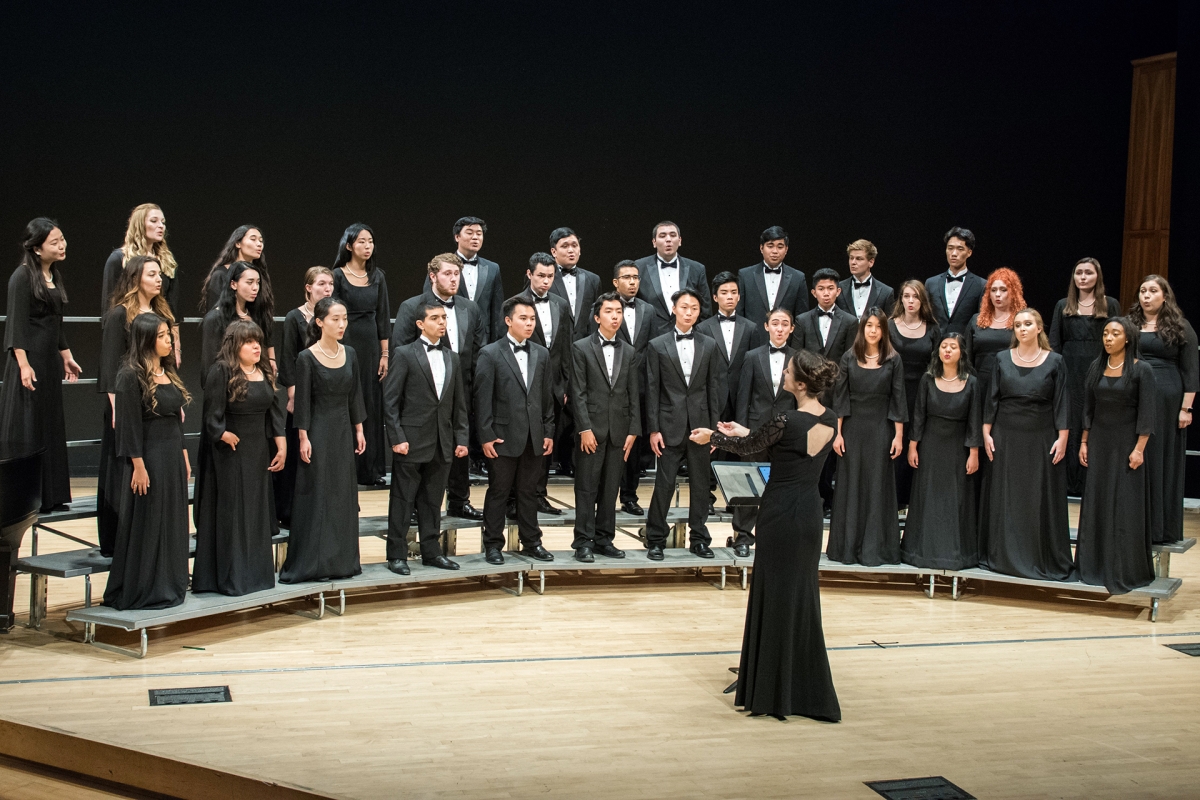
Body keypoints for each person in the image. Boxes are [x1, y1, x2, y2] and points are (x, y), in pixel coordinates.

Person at [690, 349, 841, 722]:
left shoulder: (785, 419)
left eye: (788, 372)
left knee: (773, 596)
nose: (784, 374)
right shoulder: (832, 419)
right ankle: (802, 685)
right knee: (800, 598)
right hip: (808, 515)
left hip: (779, 515)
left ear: (800, 383)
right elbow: (777, 445)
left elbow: (749, 447)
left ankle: (771, 689)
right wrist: (744, 433)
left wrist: (714, 437)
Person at [102, 314, 190, 610]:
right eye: (164, 335)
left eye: (169, 334)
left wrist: (184, 457)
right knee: (148, 523)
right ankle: (144, 587)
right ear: (147, 339)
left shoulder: (168, 372)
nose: (169, 340)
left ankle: (169, 582)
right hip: (148, 458)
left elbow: (177, 423)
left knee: (171, 521)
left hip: (171, 458)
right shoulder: (129, 375)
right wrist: (138, 465)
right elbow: (127, 426)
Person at [193, 321, 285, 596]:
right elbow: (211, 413)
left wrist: (281, 446)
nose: (257, 346)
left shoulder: (263, 371)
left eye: (258, 341)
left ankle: (256, 576)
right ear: (235, 345)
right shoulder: (221, 371)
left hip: (258, 451)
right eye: (249, 342)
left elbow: (275, 412)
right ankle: (232, 578)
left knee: (255, 511)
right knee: (234, 512)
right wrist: (222, 433)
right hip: (230, 453)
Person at [980, 308, 1072, 581]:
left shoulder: (1055, 361)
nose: (1022, 328)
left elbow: (1062, 402)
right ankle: (1003, 555)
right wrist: (986, 432)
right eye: (1018, 324)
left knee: (1035, 496)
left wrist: (1063, 437)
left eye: (1028, 324)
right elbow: (992, 399)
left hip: (1040, 436)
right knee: (1006, 495)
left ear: (1039, 328)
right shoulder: (1001, 359)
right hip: (1005, 435)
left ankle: (1036, 556)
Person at [279, 297, 367, 583]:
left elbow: (355, 395)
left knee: (341, 494)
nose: (341, 324)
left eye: (344, 318)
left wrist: (359, 429)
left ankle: (341, 561)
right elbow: (302, 402)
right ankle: (313, 562)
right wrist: (303, 437)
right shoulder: (307, 357)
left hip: (342, 430)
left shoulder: (350, 353)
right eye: (335, 319)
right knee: (317, 494)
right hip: (317, 431)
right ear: (319, 322)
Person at [394, 254, 486, 520]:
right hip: (422, 395)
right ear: (433, 276)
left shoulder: (470, 308)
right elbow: (401, 349)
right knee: (423, 451)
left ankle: (459, 501)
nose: (453, 278)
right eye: (447, 274)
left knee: (458, 445)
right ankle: (414, 505)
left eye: (456, 274)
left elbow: (477, 351)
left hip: (460, 389)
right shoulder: (412, 307)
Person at [0, 219, 81, 513]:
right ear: (36, 248)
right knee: (30, 424)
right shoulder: (21, 277)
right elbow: (17, 324)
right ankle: (26, 498)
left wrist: (66, 355)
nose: (62, 246)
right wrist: (23, 364)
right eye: (55, 242)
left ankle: (52, 494)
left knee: (50, 422)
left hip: (48, 361)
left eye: (62, 240)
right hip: (29, 361)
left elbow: (55, 323)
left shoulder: (53, 276)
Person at [382, 303, 468, 574]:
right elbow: (390, 400)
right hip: (410, 441)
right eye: (435, 318)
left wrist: (461, 438)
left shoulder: (452, 357)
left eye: (444, 318)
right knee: (402, 499)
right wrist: (397, 437)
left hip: (442, 441)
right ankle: (397, 554)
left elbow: (458, 404)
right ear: (420, 324)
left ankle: (432, 551)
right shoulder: (405, 354)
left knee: (433, 501)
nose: (442, 322)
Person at [98, 255, 173, 555]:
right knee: (123, 467)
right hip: (125, 401)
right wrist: (117, 406)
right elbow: (109, 365)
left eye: (159, 274)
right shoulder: (120, 314)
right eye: (152, 274)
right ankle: (119, 538)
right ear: (135, 278)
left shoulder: (160, 312)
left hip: (155, 404)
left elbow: (165, 363)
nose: (159, 279)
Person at [1075, 317, 1156, 593]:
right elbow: (1088, 407)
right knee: (1097, 500)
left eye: (1115, 333)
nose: (1108, 338)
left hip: (1126, 445)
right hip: (1099, 441)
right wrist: (1084, 441)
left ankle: (1123, 568)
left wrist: (1139, 449)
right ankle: (1092, 566)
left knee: (1122, 503)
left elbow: (1147, 414)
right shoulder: (1096, 367)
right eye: (1106, 333)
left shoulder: (1141, 370)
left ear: (1128, 338)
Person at [475, 296, 556, 565]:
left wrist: (548, 431)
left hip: (534, 435)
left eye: (532, 319)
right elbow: (482, 399)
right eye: (523, 318)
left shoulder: (541, 354)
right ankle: (493, 545)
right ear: (508, 320)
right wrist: (485, 435)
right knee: (499, 491)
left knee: (528, 491)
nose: (529, 323)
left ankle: (532, 541)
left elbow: (546, 398)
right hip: (502, 436)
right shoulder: (490, 353)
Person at [644, 289, 723, 560]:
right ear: (674, 309)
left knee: (701, 485)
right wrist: (653, 429)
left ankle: (699, 538)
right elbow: (652, 390)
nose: (689, 312)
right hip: (669, 425)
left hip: (701, 426)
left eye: (694, 308)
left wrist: (714, 432)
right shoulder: (657, 344)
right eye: (684, 307)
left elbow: (713, 389)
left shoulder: (710, 344)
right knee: (663, 485)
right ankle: (655, 538)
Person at [827, 308, 907, 566]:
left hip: (881, 429)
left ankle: (876, 549)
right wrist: (837, 434)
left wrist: (898, 436)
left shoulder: (893, 359)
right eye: (868, 325)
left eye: (878, 326)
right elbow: (840, 397)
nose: (873, 330)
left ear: (884, 330)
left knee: (877, 485)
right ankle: (847, 549)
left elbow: (898, 399)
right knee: (851, 485)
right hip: (852, 429)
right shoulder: (849, 357)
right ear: (862, 328)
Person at [901, 333, 982, 570]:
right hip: (930, 445)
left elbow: (974, 419)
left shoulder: (972, 382)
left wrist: (974, 452)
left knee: (955, 499)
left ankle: (957, 555)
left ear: (961, 353)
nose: (947, 350)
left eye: (953, 347)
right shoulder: (927, 380)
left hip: (957, 447)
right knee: (927, 496)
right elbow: (918, 415)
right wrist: (913, 445)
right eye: (944, 346)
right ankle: (919, 553)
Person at [1127, 275, 1198, 544]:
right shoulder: (1131, 324)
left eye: (1152, 291)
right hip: (1135, 393)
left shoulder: (1180, 326)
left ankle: (1160, 527)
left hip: (1168, 397)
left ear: (1164, 296)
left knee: (1161, 456)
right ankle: (1136, 523)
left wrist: (1186, 409)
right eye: (1142, 290)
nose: (1146, 295)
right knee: (1136, 454)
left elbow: (1191, 371)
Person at [570, 293, 640, 562]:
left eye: (619, 312)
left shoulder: (630, 351)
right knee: (586, 488)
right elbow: (578, 392)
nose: (615, 316)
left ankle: (604, 539)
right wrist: (584, 428)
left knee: (611, 489)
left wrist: (633, 430)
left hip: (619, 431)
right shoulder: (581, 347)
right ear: (597, 317)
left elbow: (633, 393)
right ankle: (583, 542)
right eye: (609, 311)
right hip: (592, 430)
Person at [1048, 257, 1122, 497]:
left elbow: (1118, 339)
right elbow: (1055, 343)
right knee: (1069, 421)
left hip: (1098, 368)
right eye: (1078, 273)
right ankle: (1069, 483)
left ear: (1097, 277)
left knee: (1093, 418)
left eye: (1088, 273)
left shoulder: (1110, 305)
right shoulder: (1063, 305)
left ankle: (1092, 480)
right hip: (1069, 370)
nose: (1082, 277)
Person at [697, 271, 761, 532]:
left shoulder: (751, 327)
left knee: (739, 449)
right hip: (712, 395)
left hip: (741, 396)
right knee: (709, 447)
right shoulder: (703, 327)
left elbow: (754, 365)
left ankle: (737, 501)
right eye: (724, 292)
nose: (730, 297)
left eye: (734, 292)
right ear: (715, 297)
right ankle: (707, 498)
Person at [730, 309, 797, 556]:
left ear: (792, 329)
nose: (780, 328)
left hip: (786, 431)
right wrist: (742, 434)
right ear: (766, 326)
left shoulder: (799, 358)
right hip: (755, 431)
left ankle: (778, 536)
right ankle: (743, 537)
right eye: (775, 323)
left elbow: (801, 399)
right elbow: (743, 397)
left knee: (782, 486)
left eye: (785, 324)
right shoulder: (752, 356)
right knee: (749, 485)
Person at [792, 268, 858, 512]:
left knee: (830, 446)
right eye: (821, 288)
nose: (826, 293)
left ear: (839, 291)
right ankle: (809, 496)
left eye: (831, 288)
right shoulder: (802, 319)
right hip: (808, 395)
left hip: (835, 393)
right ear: (813, 292)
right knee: (807, 444)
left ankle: (827, 498)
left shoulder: (850, 322)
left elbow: (850, 360)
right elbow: (797, 357)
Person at [331, 223, 390, 487]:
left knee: (370, 401)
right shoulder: (337, 276)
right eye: (362, 242)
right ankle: (347, 465)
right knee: (347, 399)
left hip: (371, 346)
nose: (367, 247)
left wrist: (385, 353)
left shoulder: (378, 276)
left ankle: (372, 468)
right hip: (346, 341)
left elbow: (383, 316)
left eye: (370, 242)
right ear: (349, 246)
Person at [275, 267, 334, 528]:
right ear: (308, 287)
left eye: (331, 284)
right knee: (298, 452)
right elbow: (287, 358)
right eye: (322, 284)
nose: (328, 288)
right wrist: (292, 394)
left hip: (326, 392)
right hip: (301, 393)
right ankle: (290, 510)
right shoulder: (294, 317)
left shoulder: (334, 315)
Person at [519, 254, 572, 515]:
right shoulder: (515, 305)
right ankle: (521, 496)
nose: (546, 281)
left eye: (550, 276)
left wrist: (564, 386)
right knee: (524, 442)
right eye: (541, 275)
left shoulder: (561, 305)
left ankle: (539, 494)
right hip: (525, 384)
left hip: (554, 386)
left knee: (547, 443)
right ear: (529, 274)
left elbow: (565, 347)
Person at [100, 204, 182, 362]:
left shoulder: (167, 261)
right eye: (154, 221)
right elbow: (109, 308)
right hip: (130, 333)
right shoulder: (119, 259)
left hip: (160, 335)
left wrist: (175, 346)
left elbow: (173, 310)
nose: (161, 226)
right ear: (139, 224)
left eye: (163, 222)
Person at [888, 280, 941, 509]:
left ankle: (911, 501)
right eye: (906, 296)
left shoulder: (932, 328)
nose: (910, 301)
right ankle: (892, 500)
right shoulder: (889, 325)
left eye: (916, 297)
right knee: (892, 446)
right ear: (901, 299)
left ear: (923, 301)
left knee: (915, 445)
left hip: (921, 395)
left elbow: (937, 365)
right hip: (891, 394)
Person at [614, 260, 659, 515]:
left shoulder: (649, 310)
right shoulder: (605, 307)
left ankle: (629, 495)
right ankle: (605, 495)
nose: (632, 282)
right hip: (611, 386)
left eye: (635, 277)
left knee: (635, 444)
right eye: (627, 277)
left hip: (640, 387)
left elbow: (653, 349)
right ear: (615, 282)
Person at [422, 216, 505, 343]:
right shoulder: (442, 265)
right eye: (470, 233)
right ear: (457, 237)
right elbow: (428, 301)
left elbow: (496, 310)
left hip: (482, 339)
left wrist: (496, 342)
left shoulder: (493, 268)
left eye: (479, 233)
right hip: (448, 334)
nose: (475, 237)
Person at [199, 261, 274, 388]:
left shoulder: (256, 315)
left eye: (257, 283)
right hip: (230, 390)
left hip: (257, 386)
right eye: (249, 282)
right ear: (233, 284)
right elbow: (210, 366)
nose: (255, 287)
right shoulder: (215, 318)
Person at [635, 221, 711, 330]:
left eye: (673, 235)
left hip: (688, 336)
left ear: (680, 241)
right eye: (662, 236)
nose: (668, 239)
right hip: (651, 337)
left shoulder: (697, 269)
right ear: (654, 242)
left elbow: (706, 310)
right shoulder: (639, 267)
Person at [965, 267, 1024, 402]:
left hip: (1010, 383)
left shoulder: (1021, 321)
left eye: (1003, 290)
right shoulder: (977, 320)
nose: (997, 294)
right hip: (980, 383)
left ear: (1013, 292)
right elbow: (966, 357)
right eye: (993, 290)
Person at [736, 226, 809, 325]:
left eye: (780, 247)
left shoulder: (798, 278)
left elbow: (801, 317)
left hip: (786, 339)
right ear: (761, 248)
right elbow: (739, 313)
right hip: (754, 338)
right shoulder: (745, 275)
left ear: (786, 249)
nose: (775, 251)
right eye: (770, 246)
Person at [200, 225, 274, 317]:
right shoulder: (221, 275)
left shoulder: (260, 275)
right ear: (238, 243)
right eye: (253, 239)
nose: (259, 244)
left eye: (261, 241)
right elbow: (213, 318)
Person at [926, 227, 986, 335]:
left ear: (969, 252)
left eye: (960, 249)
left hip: (965, 346)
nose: (954, 253)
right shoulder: (931, 283)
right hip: (936, 346)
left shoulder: (981, 284)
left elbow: (981, 321)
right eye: (950, 248)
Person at [837, 239, 895, 318]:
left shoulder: (886, 292)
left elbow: (889, 325)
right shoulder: (838, 288)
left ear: (871, 262)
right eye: (851, 258)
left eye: (859, 258)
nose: (853, 262)